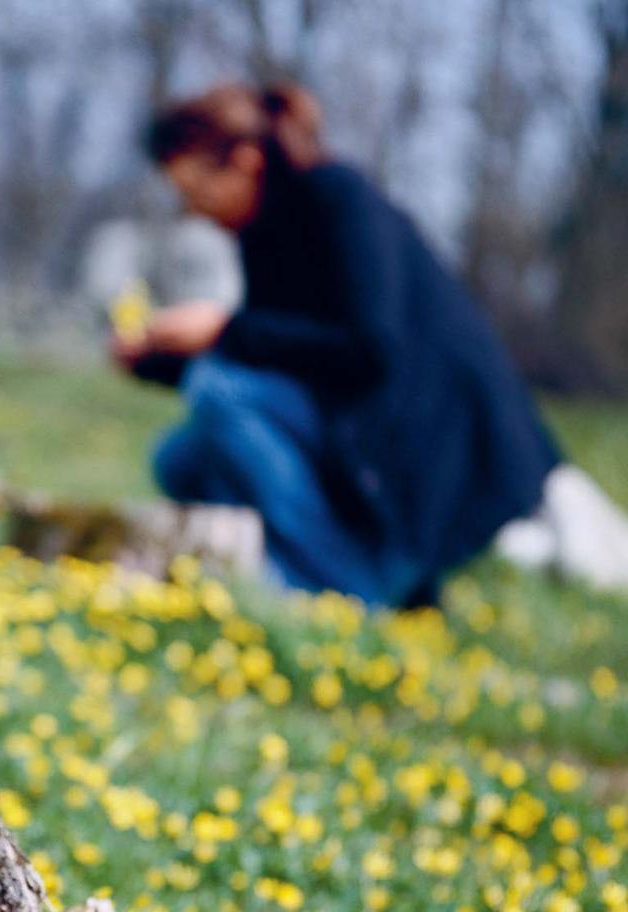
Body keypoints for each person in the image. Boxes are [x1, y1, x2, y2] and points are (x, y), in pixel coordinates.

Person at [109, 82, 577, 608]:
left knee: (218, 395)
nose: (193, 211)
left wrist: (222, 331)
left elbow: (369, 350)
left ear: (245, 161)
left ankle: (340, 589)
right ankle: (312, 571)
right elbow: (291, 359)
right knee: (183, 458)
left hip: (440, 457)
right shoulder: (263, 233)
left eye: (195, 190)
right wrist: (157, 361)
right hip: (370, 436)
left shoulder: (340, 197)